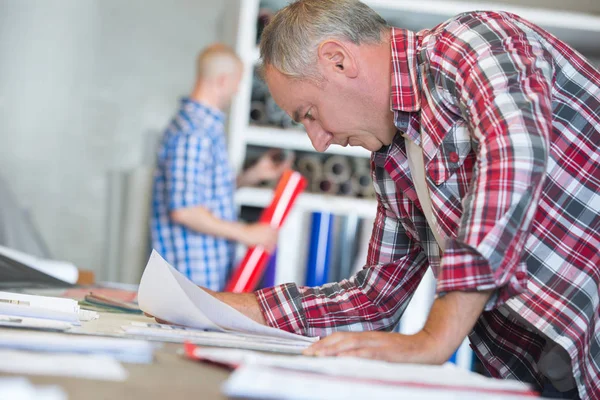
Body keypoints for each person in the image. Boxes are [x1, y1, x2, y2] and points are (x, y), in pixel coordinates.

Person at [174, 3, 599, 398]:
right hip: (544, 373)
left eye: (309, 114)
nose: (318, 143)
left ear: (338, 59)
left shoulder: (472, 44)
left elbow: (514, 162)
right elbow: (374, 299)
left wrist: (434, 340)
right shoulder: (393, 159)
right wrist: (209, 305)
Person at [151, 44, 290, 291]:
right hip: (192, 281)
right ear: (223, 80)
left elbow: (203, 192)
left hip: (201, 279)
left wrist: (252, 176)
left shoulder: (202, 129)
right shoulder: (194, 133)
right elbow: (185, 210)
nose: (237, 90)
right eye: (237, 82)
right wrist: (246, 232)